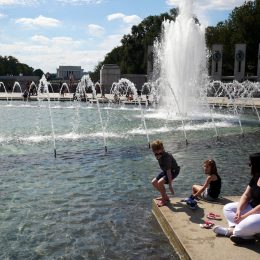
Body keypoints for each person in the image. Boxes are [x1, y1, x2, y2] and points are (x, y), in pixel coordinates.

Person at [213, 153, 260, 244]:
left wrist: (244, 216)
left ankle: (232, 232)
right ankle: (241, 230)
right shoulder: (256, 177)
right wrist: (239, 210)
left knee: (250, 222)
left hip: (257, 212)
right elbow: (246, 195)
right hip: (252, 209)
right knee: (228, 208)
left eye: (250, 164)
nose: (249, 166)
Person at [151, 140, 180, 207]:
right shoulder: (157, 154)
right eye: (155, 150)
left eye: (158, 150)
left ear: (162, 148)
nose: (157, 152)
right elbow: (165, 170)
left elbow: (169, 172)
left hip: (173, 171)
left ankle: (164, 200)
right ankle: (165, 196)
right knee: (154, 182)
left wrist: (170, 185)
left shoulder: (167, 157)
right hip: (165, 171)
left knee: (160, 182)